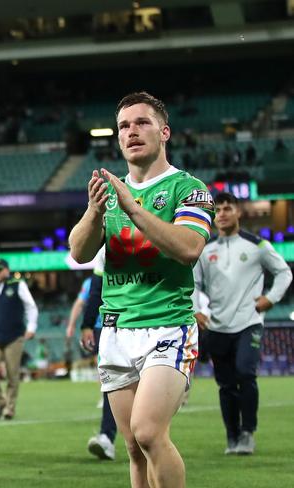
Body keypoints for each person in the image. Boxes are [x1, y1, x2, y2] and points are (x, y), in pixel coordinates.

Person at [68, 91, 214, 488]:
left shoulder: (188, 188)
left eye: (142, 123)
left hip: (168, 326)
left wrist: (133, 207)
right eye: (124, 126)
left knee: (149, 431)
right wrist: (96, 212)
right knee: (133, 446)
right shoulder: (109, 193)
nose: (132, 132)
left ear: (164, 132)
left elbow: (188, 248)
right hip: (116, 330)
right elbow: (79, 252)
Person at [193, 192, 292, 455]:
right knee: (225, 384)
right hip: (217, 326)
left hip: (249, 322)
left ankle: (248, 433)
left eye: (228, 208)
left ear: (239, 212)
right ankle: (232, 436)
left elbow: (284, 272)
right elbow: (192, 283)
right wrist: (195, 310)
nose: (223, 214)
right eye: (219, 210)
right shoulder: (205, 249)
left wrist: (270, 299)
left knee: (245, 373)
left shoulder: (257, 245)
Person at [0, 258, 38, 421]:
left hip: (14, 336)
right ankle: (1, 401)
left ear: (7, 271)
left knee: (12, 374)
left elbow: (31, 306)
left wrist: (31, 327)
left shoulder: (18, 285)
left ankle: (9, 409)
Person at [79, 247, 118, 461]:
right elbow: (96, 289)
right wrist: (86, 324)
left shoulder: (157, 234)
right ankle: (107, 437)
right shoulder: (107, 248)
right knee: (112, 384)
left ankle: (151, 438)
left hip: (155, 325)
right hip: (115, 326)